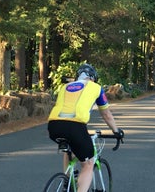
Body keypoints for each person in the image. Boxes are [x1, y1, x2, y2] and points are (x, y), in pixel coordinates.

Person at [47, 63, 124, 192]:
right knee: (88, 164)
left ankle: (68, 182)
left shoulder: (65, 87)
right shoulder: (96, 88)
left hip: (54, 125)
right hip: (75, 126)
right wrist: (116, 131)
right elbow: (106, 114)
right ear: (93, 78)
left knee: (69, 149)